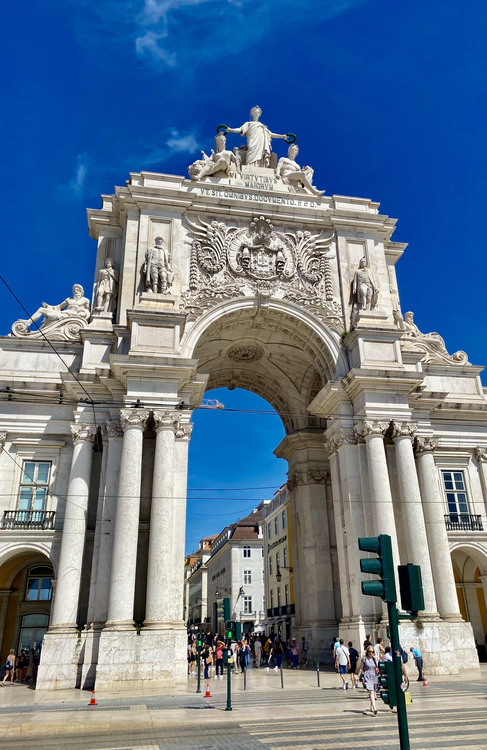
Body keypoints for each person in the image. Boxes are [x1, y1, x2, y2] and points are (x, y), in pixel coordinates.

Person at [357, 645, 380, 714]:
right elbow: (361, 668)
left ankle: (371, 707)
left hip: (374, 677)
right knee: (371, 692)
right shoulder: (364, 659)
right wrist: (358, 676)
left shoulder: (374, 659)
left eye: (372, 652)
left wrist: (376, 660)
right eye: (369, 652)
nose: (371, 653)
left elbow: (378, 667)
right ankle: (375, 708)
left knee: (373, 692)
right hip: (367, 677)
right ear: (367, 652)